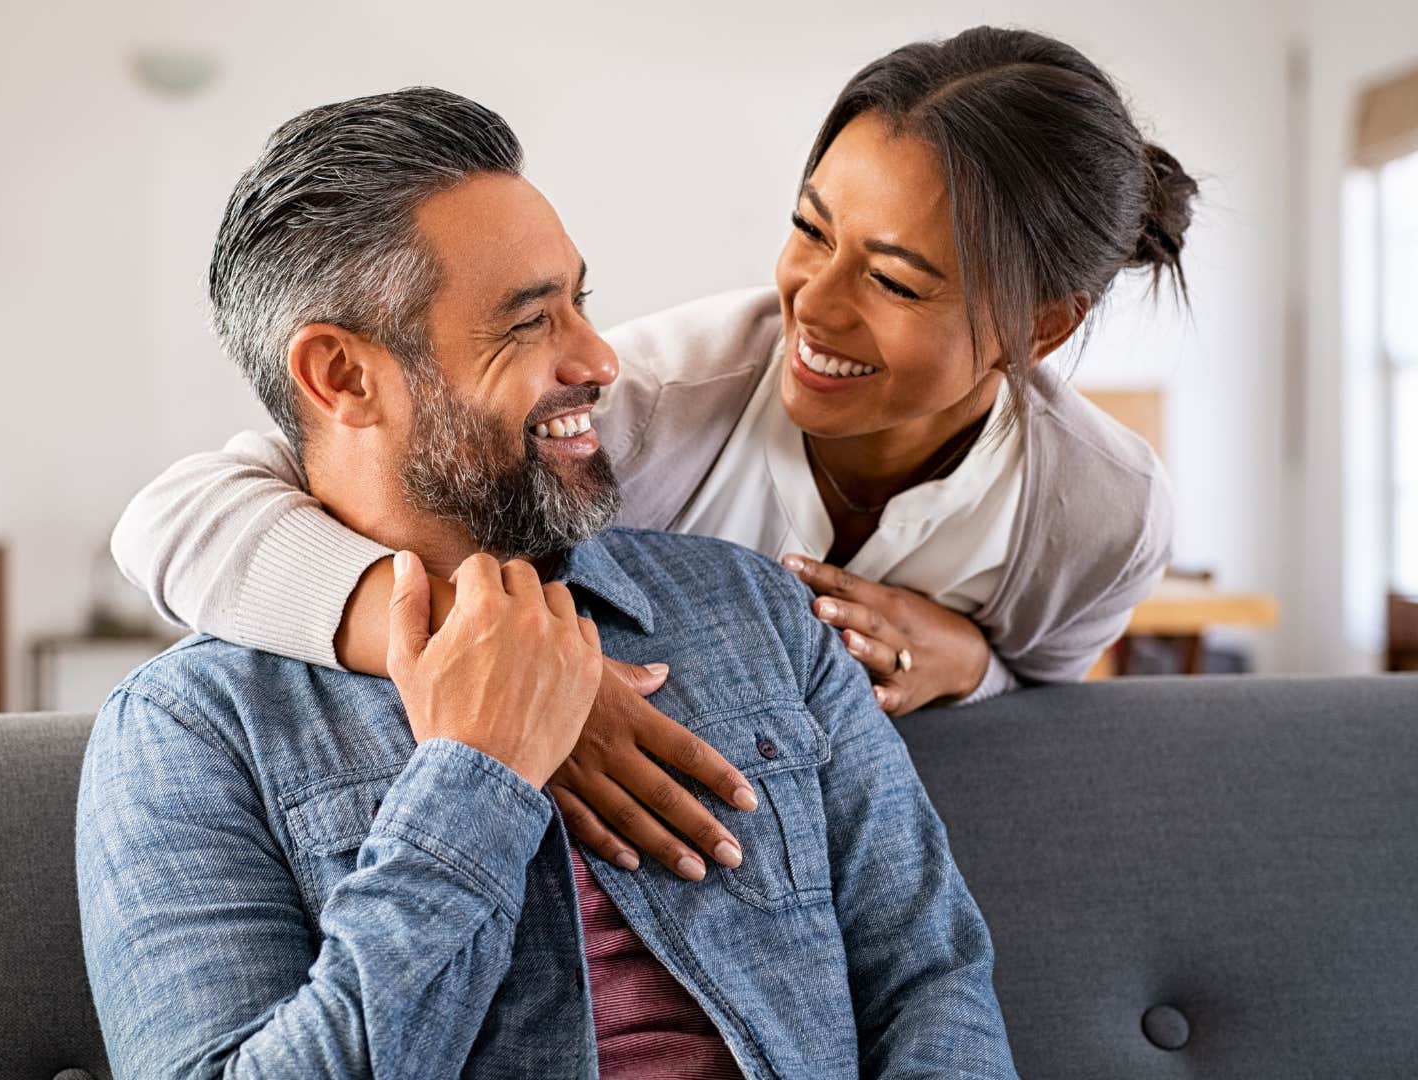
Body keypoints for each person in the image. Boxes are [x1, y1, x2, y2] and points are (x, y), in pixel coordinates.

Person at [77, 87, 1015, 1079]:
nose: (600, 358)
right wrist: (474, 778)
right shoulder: (190, 730)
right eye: (529, 323)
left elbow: (932, 979)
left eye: (582, 301)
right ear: (344, 378)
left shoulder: (758, 614)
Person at [112, 26, 1190, 880]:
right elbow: (176, 518)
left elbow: (1048, 701)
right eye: (810, 230)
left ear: (1039, 328)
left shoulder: (1102, 512)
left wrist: (973, 665)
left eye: (896, 280)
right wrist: (505, 667)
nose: (811, 303)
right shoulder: (653, 403)